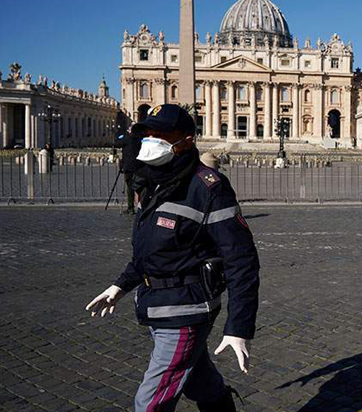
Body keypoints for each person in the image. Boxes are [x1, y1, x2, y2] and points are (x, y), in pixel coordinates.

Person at [85, 104, 261, 412]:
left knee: (149, 403)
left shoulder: (209, 188)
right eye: (149, 133)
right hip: (155, 303)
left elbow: (242, 261)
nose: (152, 140)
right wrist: (121, 285)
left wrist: (238, 327)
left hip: (186, 311)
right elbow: (150, 251)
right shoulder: (154, 182)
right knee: (200, 382)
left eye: (162, 134)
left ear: (187, 140)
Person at [115, 126, 144, 215]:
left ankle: (130, 207)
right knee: (140, 186)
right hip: (139, 166)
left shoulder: (127, 138)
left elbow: (117, 144)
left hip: (128, 167)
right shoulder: (140, 139)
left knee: (130, 187)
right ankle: (142, 206)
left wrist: (119, 136)